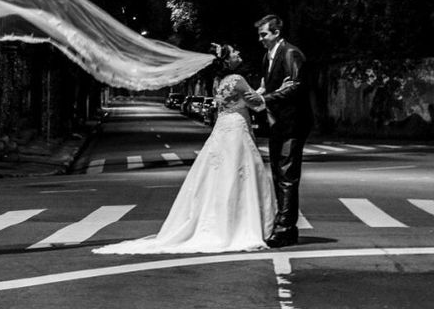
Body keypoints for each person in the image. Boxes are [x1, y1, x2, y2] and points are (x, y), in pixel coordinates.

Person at [93, 44, 292, 255]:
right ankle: (240, 225)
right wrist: (275, 89)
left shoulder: (219, 82)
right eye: (235, 52)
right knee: (240, 175)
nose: (239, 53)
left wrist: (259, 91)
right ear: (227, 60)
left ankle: (220, 223)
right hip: (236, 130)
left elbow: (241, 101)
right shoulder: (238, 80)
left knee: (219, 177)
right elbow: (256, 105)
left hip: (223, 129)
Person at [245, 15, 313, 248]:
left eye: (264, 34)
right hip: (278, 123)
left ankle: (285, 228)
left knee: (287, 174)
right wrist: (259, 96)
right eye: (260, 35)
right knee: (278, 172)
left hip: (294, 123)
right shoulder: (268, 57)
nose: (260, 39)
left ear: (276, 33)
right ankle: (286, 227)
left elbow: (295, 86)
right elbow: (268, 85)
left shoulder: (291, 53)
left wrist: (265, 98)